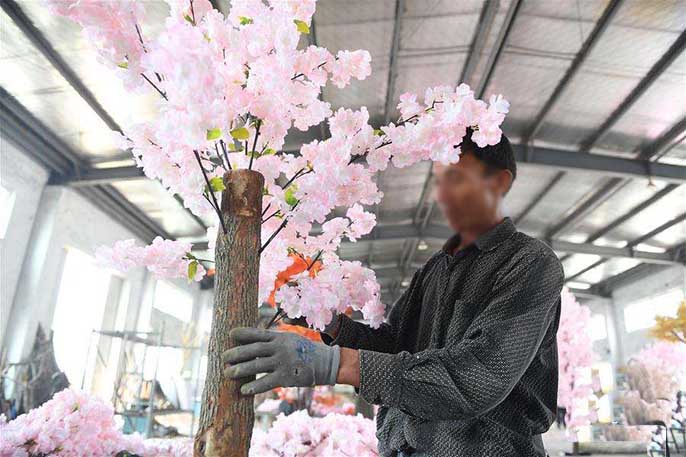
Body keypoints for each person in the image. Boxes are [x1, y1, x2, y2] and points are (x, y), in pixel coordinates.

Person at [224, 128, 564, 457]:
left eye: (456, 179)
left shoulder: (530, 264)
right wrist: (330, 323)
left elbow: (477, 376)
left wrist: (334, 364)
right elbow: (393, 345)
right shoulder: (434, 269)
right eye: (438, 181)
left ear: (499, 182)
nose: (439, 196)